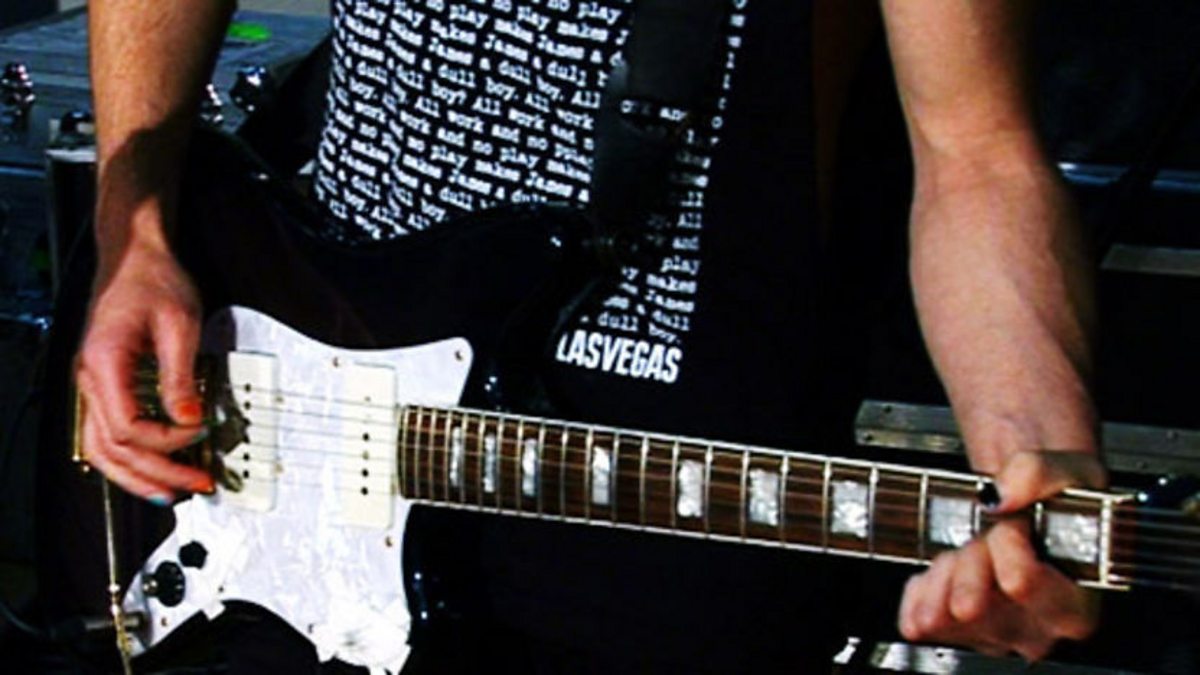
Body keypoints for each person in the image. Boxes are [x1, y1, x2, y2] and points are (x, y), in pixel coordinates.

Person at [71, 0, 1104, 670]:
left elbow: (976, 149)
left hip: (669, 523)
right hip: (290, 438)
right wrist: (133, 229)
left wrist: (1031, 460)